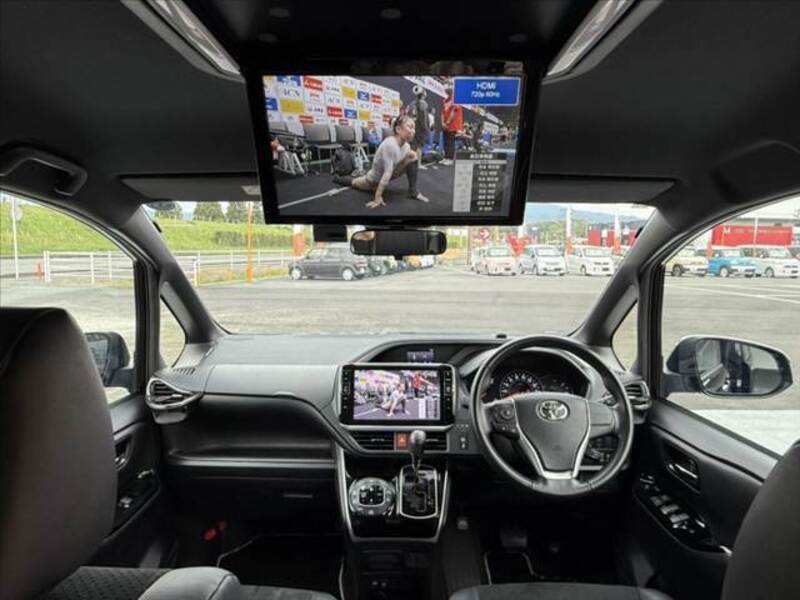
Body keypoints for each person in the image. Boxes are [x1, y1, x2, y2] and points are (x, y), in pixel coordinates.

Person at [333, 115, 429, 209]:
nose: (413, 131)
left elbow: (409, 161)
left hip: (387, 176)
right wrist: (377, 197)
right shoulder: (390, 144)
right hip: (372, 180)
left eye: (414, 128)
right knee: (354, 182)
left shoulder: (406, 146)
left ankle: (413, 191)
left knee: (413, 156)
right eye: (410, 127)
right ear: (398, 129)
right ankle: (337, 178)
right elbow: (387, 173)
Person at [441, 85, 463, 165]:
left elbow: (454, 111)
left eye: (447, 89)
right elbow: (442, 113)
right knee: (445, 141)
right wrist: (442, 123)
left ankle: (450, 159)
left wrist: (447, 122)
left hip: (452, 124)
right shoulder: (445, 100)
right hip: (445, 125)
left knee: (450, 141)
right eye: (445, 90)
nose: (446, 91)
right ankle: (446, 157)